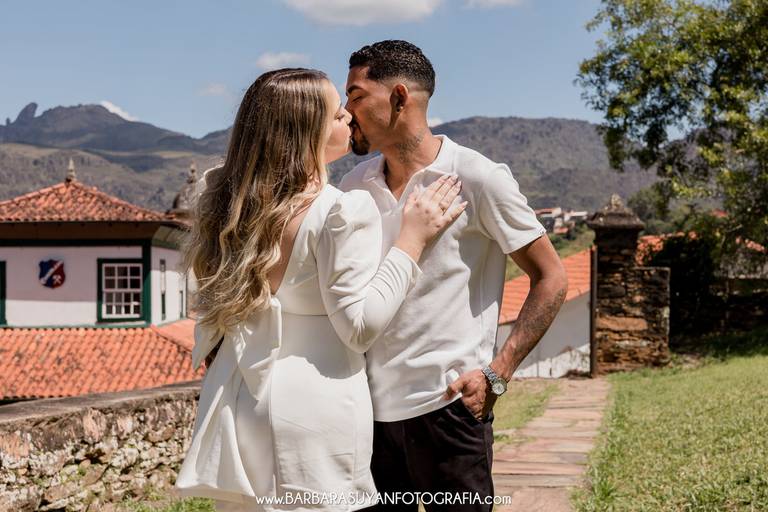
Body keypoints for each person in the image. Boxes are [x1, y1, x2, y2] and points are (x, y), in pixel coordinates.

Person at [173, 67, 467, 511]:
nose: (349, 116)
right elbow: (359, 327)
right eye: (335, 114)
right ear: (306, 132)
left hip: (243, 400)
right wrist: (412, 240)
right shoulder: (340, 211)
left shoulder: (230, 209)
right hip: (316, 408)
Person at [339, 41, 569, 510]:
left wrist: (498, 374)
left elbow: (552, 277)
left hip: (450, 411)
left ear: (399, 98)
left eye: (357, 96)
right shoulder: (352, 185)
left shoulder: (478, 177)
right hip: (365, 415)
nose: (346, 111)